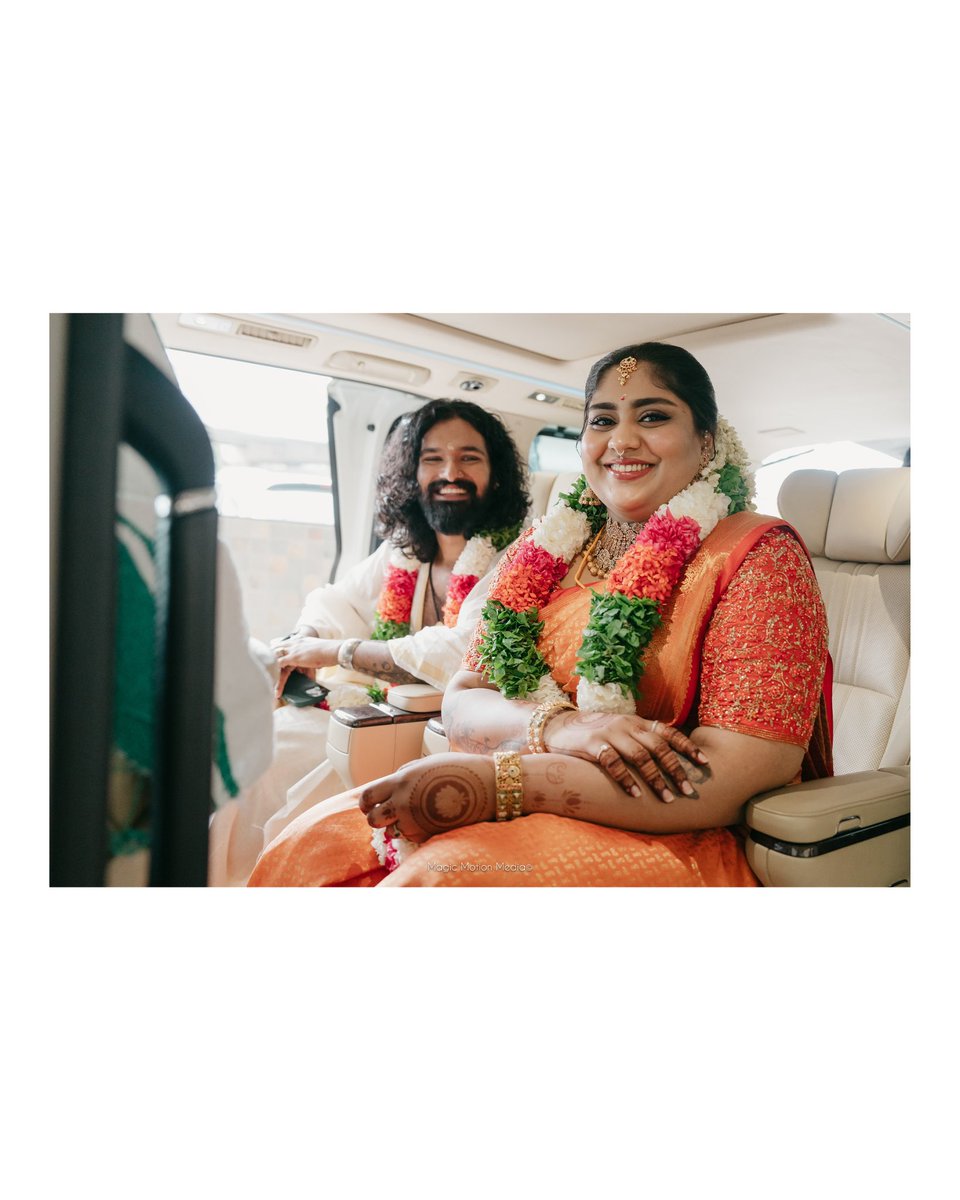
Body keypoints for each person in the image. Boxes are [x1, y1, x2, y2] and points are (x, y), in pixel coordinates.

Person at [247, 343, 832, 887]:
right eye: (602, 420)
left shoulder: (756, 556)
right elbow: (462, 693)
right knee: (309, 841)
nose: (621, 441)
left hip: (676, 827)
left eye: (652, 417)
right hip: (523, 785)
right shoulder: (550, 550)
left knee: (442, 881)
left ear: (707, 441)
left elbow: (736, 775)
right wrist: (560, 726)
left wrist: (501, 785)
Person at [207, 398, 530, 885]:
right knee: (255, 755)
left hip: (438, 733)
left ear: (496, 475)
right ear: (412, 473)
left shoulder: (517, 557)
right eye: (432, 459)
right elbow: (339, 600)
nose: (450, 472)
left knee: (295, 783)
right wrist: (305, 641)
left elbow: (461, 649)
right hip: (372, 711)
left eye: (469, 458)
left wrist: (336, 652)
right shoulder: (405, 549)